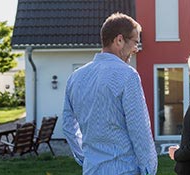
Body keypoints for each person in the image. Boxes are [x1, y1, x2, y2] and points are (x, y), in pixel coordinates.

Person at [62, 12, 158, 175]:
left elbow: (68, 126)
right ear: (119, 40)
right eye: (135, 42)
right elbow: (139, 130)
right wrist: (149, 169)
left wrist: (84, 159)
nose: (136, 49)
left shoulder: (75, 78)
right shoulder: (128, 75)